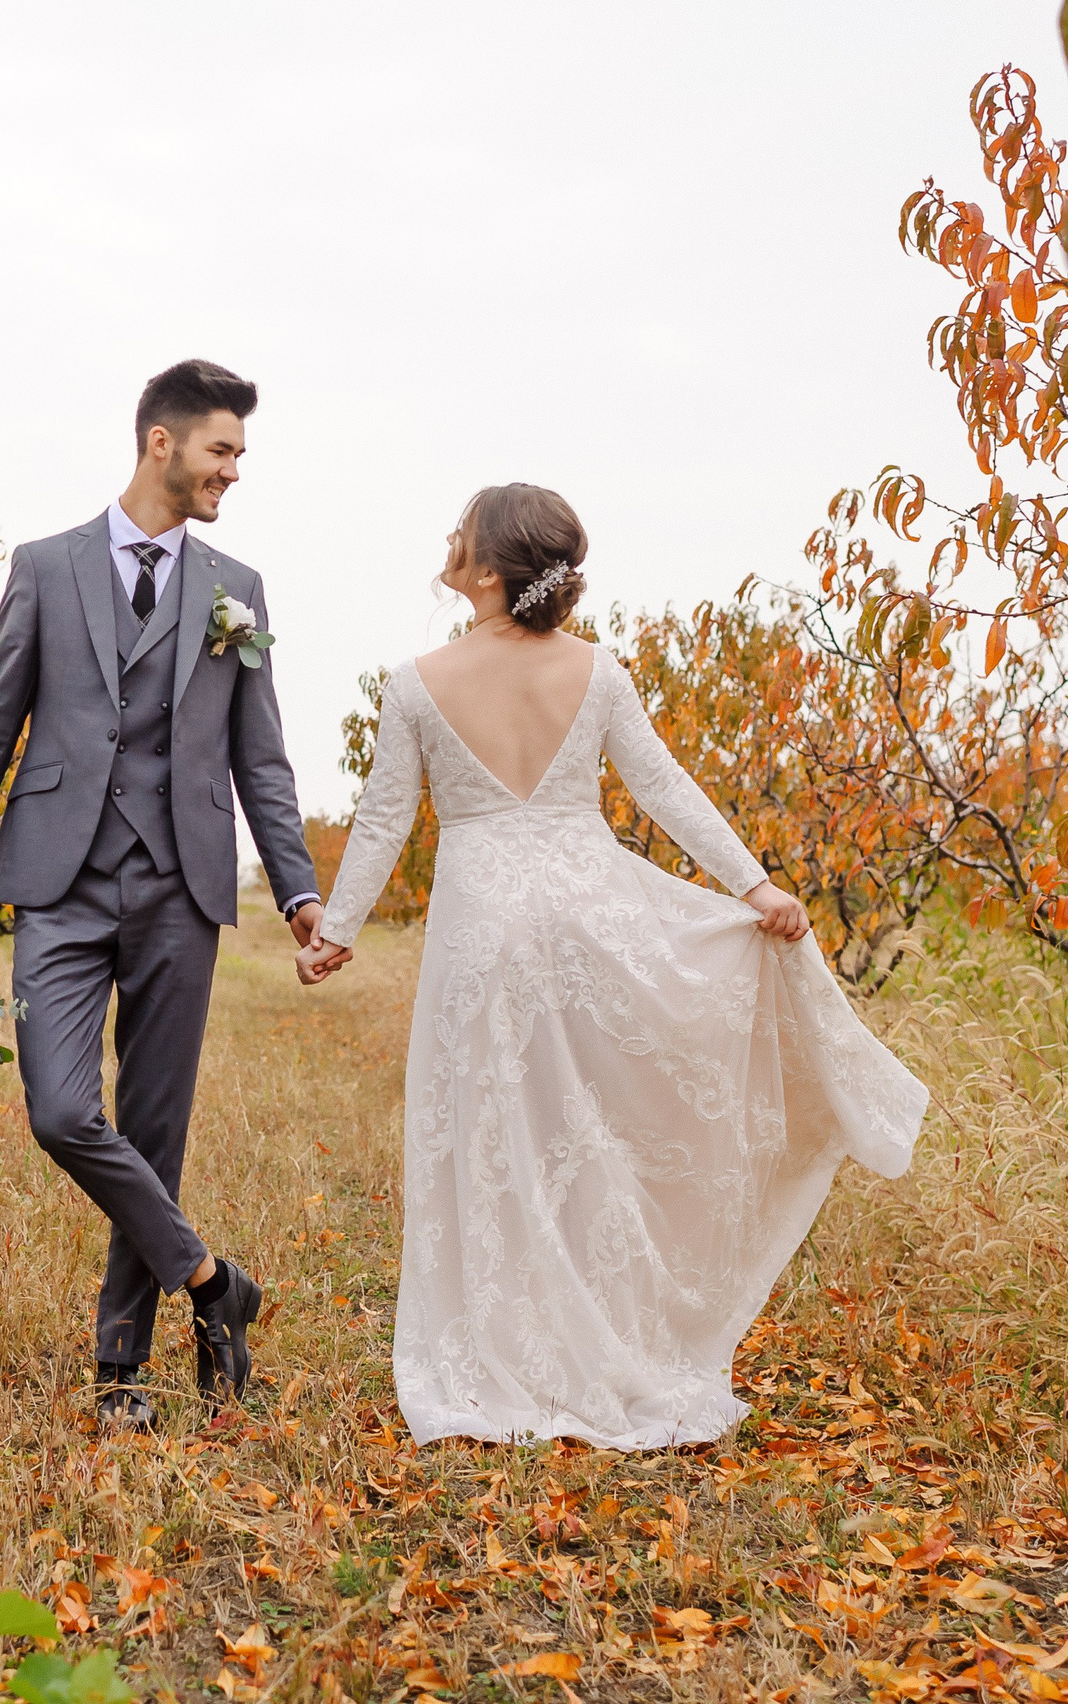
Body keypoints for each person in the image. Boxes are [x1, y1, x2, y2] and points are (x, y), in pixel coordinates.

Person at [297, 484, 926, 1449]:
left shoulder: (417, 681)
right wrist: (753, 887)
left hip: (483, 931)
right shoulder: (597, 674)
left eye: (462, 533)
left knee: (493, 1131)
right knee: (586, 1130)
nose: (449, 541)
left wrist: (339, 927)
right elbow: (664, 786)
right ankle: (596, 1335)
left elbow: (384, 817)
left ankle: (505, 1348)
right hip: (589, 918)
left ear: (493, 568)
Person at [0, 359, 321, 1430]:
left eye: (238, 454)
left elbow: (259, 761)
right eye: (221, 450)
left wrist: (298, 894)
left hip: (183, 886)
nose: (233, 470)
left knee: (153, 1125)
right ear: (162, 444)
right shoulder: (45, 567)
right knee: (59, 1111)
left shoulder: (239, 590)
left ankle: (120, 1370)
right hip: (60, 879)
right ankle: (211, 1282)